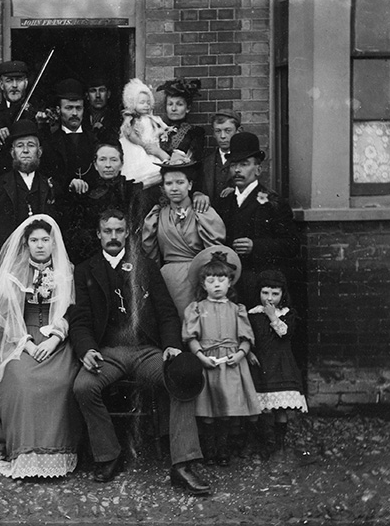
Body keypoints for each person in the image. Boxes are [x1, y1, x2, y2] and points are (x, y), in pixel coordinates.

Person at [70, 209, 210, 495]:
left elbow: (167, 313)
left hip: (146, 351)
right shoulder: (86, 270)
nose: (113, 237)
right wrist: (87, 349)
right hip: (109, 352)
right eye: (107, 231)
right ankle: (109, 454)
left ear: (127, 233)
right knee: (83, 386)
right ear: (98, 234)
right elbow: (80, 319)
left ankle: (182, 464)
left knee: (181, 378)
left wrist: (171, 344)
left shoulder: (145, 266)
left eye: (119, 231)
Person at [0, 215, 82, 478]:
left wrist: (55, 339)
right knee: (21, 380)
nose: (40, 245)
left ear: (54, 243)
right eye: (34, 240)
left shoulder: (68, 271)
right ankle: (23, 452)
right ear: (26, 243)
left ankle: (58, 452)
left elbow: (72, 311)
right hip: (19, 339)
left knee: (62, 380)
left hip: (56, 340)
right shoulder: (16, 272)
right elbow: (5, 315)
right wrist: (28, 346)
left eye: (45, 240)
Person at [183, 245, 261, 467]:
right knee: (207, 409)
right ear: (203, 284)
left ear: (230, 282)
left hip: (230, 363)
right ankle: (208, 449)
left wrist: (240, 354)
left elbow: (246, 338)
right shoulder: (197, 308)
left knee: (226, 409)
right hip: (208, 362)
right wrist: (200, 356)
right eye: (210, 280)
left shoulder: (237, 310)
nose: (216, 285)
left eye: (221, 280)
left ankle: (223, 449)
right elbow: (191, 337)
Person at [214, 132, 300, 308]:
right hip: (229, 288)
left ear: (258, 169)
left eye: (244, 164)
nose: (237, 170)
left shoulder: (273, 202)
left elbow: (291, 245)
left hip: (261, 286)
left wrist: (256, 246)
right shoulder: (223, 202)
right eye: (234, 165)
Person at [142, 159, 226, 321]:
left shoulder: (202, 212)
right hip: (167, 279)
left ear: (190, 185)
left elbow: (215, 250)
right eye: (169, 183)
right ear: (163, 187)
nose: (174, 188)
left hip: (197, 277)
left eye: (180, 182)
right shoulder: (157, 215)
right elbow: (150, 252)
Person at [247, 269, 308, 453]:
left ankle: (279, 444)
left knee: (279, 408)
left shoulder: (287, 314)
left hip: (281, 364)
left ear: (283, 294)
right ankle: (257, 443)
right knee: (256, 407)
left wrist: (273, 316)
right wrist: (249, 352)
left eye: (275, 293)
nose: (270, 298)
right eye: (265, 293)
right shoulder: (253, 314)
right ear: (258, 293)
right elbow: (246, 336)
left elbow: (285, 333)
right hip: (260, 363)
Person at [0, 119, 58, 250]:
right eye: (20, 145)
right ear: (12, 152)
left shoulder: (51, 186)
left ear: (40, 151)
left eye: (31, 145)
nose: (25, 150)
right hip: (7, 260)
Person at [63, 142, 142, 264]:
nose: (108, 165)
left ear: (122, 164)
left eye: (114, 160)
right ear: (95, 164)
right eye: (103, 160)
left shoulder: (130, 191)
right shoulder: (85, 192)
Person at [156, 78, 209, 212]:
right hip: (157, 188)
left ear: (188, 108)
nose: (173, 108)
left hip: (181, 190)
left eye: (179, 104)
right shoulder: (158, 130)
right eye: (170, 104)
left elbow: (194, 165)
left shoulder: (194, 133)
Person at [44, 78, 98, 197]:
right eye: (69, 108)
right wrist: (68, 184)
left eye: (78, 108)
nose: (74, 113)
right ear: (59, 110)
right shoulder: (50, 142)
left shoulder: (95, 139)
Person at [118, 78, 169, 189]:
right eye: (142, 103)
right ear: (132, 103)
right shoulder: (131, 119)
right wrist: (142, 144)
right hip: (138, 146)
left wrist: (165, 131)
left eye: (148, 102)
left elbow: (160, 129)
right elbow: (130, 135)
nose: (146, 105)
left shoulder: (152, 118)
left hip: (151, 148)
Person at [0, 60, 38, 149]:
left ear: (26, 83)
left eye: (19, 80)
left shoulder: (34, 113)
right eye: (9, 81)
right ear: (2, 85)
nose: (14, 85)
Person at [201, 109, 241, 201]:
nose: (222, 136)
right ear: (213, 133)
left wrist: (236, 190)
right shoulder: (206, 161)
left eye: (228, 131)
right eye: (218, 131)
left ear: (238, 131)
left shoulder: (246, 160)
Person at [84, 73, 121, 144]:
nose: (98, 95)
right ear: (87, 96)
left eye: (102, 90)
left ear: (108, 94)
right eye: (93, 91)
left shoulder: (117, 118)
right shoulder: (81, 118)